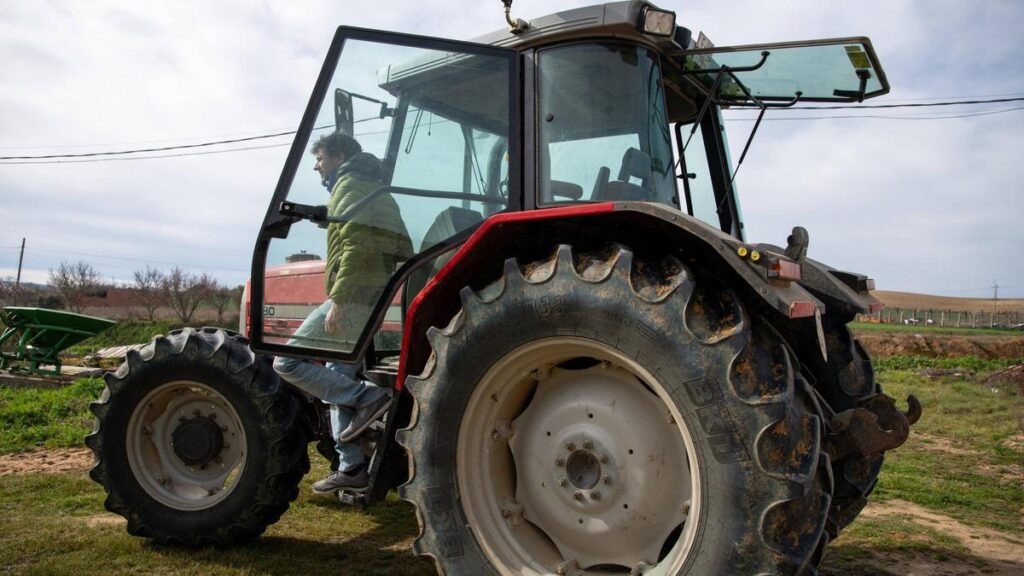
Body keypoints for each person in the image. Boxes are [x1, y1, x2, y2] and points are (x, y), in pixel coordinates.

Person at [274, 131, 412, 494]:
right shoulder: (373, 188)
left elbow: (356, 243)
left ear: (337, 157)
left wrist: (340, 297)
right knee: (336, 374)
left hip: (355, 297)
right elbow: (398, 242)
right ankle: (351, 467)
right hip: (373, 294)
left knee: (286, 362)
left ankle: (370, 399)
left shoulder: (348, 185)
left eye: (319, 158)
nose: (317, 166)